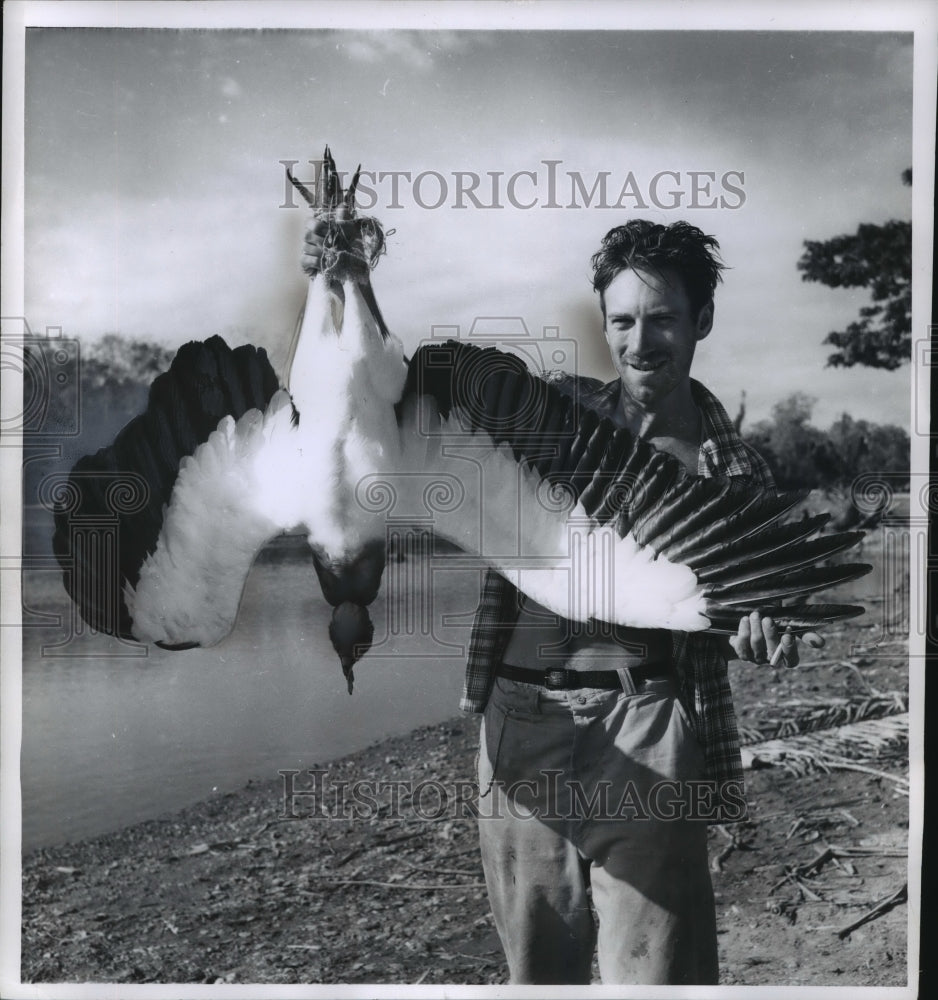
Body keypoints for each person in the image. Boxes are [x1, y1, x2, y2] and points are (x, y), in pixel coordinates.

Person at [301, 213, 823, 985]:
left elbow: (758, 608)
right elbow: (391, 403)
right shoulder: (551, 418)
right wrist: (348, 282)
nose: (641, 342)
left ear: (702, 319)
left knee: (660, 978)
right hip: (520, 725)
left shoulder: (731, 470)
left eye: (664, 319)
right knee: (537, 978)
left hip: (647, 731)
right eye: (623, 320)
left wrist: (764, 632)